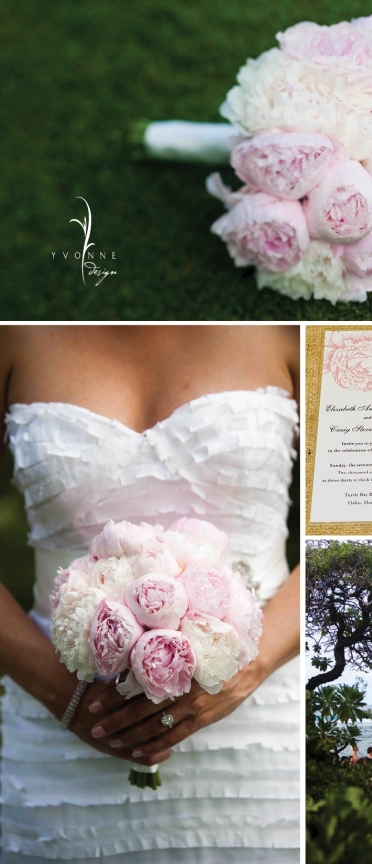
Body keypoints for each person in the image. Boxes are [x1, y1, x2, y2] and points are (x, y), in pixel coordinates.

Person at [0, 324, 300, 863]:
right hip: (57, 727)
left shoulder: (289, 330)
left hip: (262, 723)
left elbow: (371, 512)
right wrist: (63, 696)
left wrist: (249, 668)